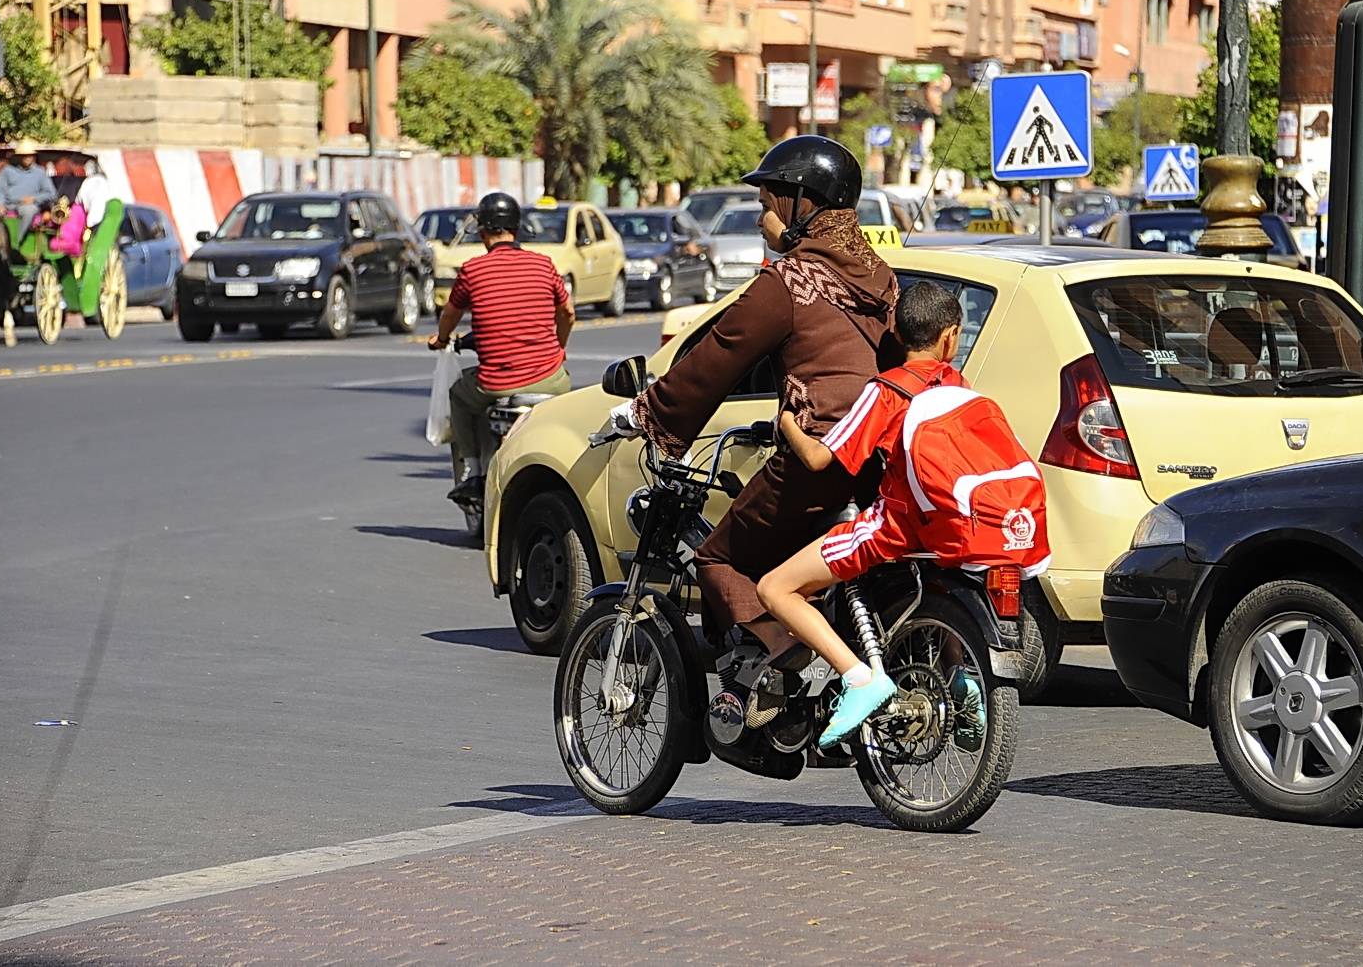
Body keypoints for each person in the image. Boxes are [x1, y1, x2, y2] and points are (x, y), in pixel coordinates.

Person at [608, 135, 900, 657]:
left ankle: (785, 661)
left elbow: (718, 356)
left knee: (720, 559)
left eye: (766, 206)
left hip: (820, 458)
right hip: (883, 454)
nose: (759, 220)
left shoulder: (787, 283)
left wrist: (643, 412)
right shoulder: (880, 278)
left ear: (799, 203)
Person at [761, 282, 1051, 747]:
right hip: (955, 527)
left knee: (775, 587)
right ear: (951, 338)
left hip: (898, 527)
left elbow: (820, 459)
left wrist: (788, 424)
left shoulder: (887, 390)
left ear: (894, 332)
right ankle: (958, 675)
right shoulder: (960, 387)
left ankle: (859, 677)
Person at [429, 191, 575, 502]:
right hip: (550, 377)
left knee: (459, 394)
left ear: (482, 232)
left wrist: (441, 339)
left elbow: (451, 314)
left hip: (496, 384)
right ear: (517, 229)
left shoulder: (472, 270)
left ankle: (473, 471)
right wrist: (559, 348)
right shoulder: (544, 264)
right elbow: (568, 313)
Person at [0, 140, 57, 225]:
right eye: (24, 155)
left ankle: (18, 238)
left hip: (27, 205)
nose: (28, 157)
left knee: (29, 211)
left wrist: (34, 198)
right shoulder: (7, 170)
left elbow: (51, 193)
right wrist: (0, 204)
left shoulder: (40, 172)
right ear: (18, 156)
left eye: (30, 155)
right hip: (8, 203)